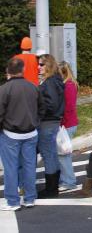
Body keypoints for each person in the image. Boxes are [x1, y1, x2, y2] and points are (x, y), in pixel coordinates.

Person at [0, 58, 45, 210]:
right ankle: (30, 198)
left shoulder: (4, 89)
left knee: (11, 168)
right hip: (31, 133)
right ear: (23, 69)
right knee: (29, 166)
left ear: (8, 71)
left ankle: (13, 201)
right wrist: (35, 122)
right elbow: (42, 109)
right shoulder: (33, 87)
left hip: (10, 134)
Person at [37, 54, 65, 198]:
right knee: (51, 154)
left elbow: (51, 104)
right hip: (52, 122)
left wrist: (39, 112)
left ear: (48, 65)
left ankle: (51, 189)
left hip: (47, 122)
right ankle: (53, 187)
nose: (38, 67)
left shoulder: (50, 82)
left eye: (41, 64)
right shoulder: (56, 80)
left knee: (48, 155)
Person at [57, 61, 78, 191]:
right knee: (62, 154)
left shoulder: (68, 86)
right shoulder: (70, 84)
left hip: (66, 124)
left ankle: (69, 181)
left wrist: (61, 123)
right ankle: (65, 179)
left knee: (64, 155)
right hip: (68, 123)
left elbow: (68, 107)